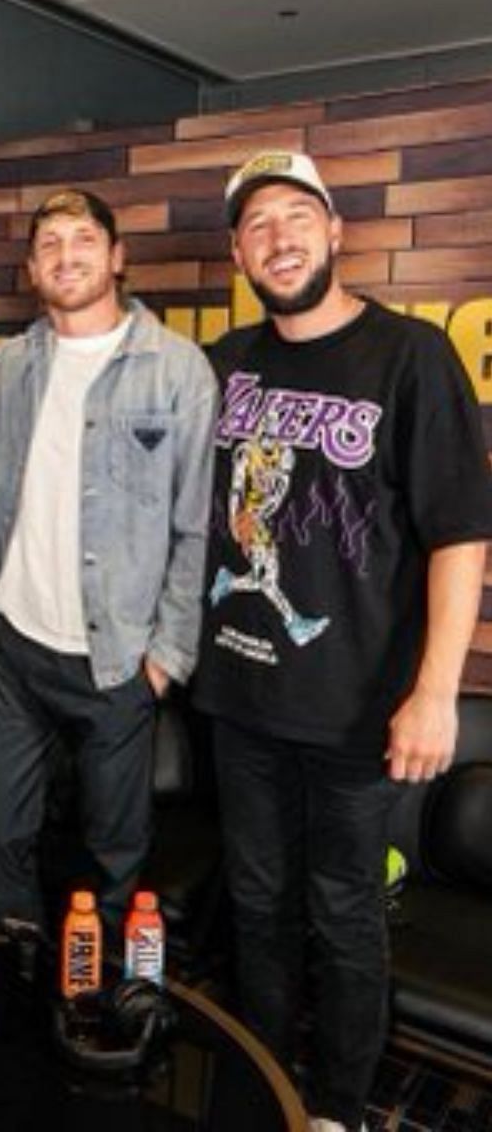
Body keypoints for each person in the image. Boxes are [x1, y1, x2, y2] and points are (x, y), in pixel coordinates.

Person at [197, 149, 492, 1132]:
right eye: (257, 226)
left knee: (345, 919)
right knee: (256, 908)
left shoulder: (409, 356)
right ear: (239, 251)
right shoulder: (223, 363)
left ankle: (333, 1108)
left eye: (295, 217)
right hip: (239, 703)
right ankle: (265, 1086)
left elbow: (460, 533)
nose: (278, 239)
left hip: (357, 713)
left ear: (333, 231)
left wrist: (436, 691)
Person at [0, 188, 217, 937]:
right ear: (32, 270)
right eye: (49, 245)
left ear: (116, 256)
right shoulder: (3, 368)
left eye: (83, 240)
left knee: (114, 850)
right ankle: (15, 977)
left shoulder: (178, 370)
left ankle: (92, 995)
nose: (66, 256)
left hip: (118, 659)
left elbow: (196, 526)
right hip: (12, 645)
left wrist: (165, 658)